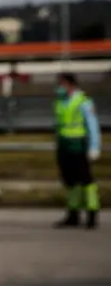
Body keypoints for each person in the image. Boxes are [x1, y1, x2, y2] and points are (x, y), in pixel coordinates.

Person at [53, 73, 101, 229]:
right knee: (70, 181)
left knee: (86, 180)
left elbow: (92, 125)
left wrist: (94, 146)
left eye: (62, 84)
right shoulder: (61, 102)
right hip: (64, 145)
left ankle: (92, 212)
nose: (59, 87)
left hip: (79, 145)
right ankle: (73, 213)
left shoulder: (83, 101)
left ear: (70, 84)